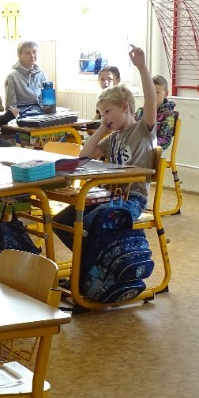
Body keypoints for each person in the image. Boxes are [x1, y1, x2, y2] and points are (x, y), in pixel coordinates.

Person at [53, 45, 158, 251]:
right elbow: (83, 156)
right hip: (108, 196)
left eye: (108, 112)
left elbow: (151, 100)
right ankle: (88, 264)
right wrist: (103, 127)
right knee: (62, 221)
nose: (105, 117)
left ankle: (96, 264)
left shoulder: (142, 130)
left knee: (92, 222)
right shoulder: (112, 138)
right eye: (101, 114)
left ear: (125, 107)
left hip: (132, 200)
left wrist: (142, 67)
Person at [135, 75, 179, 151]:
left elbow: (165, 140)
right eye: (150, 92)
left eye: (157, 92)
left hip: (151, 151)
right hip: (134, 148)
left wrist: (146, 144)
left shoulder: (168, 115)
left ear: (166, 94)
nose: (153, 95)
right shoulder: (140, 111)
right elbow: (131, 129)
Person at [4, 40, 49, 112]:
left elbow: (46, 102)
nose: (32, 56)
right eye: (27, 53)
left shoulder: (41, 75)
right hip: (21, 114)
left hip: (40, 113)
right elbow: (11, 107)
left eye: (34, 52)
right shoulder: (12, 77)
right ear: (19, 56)